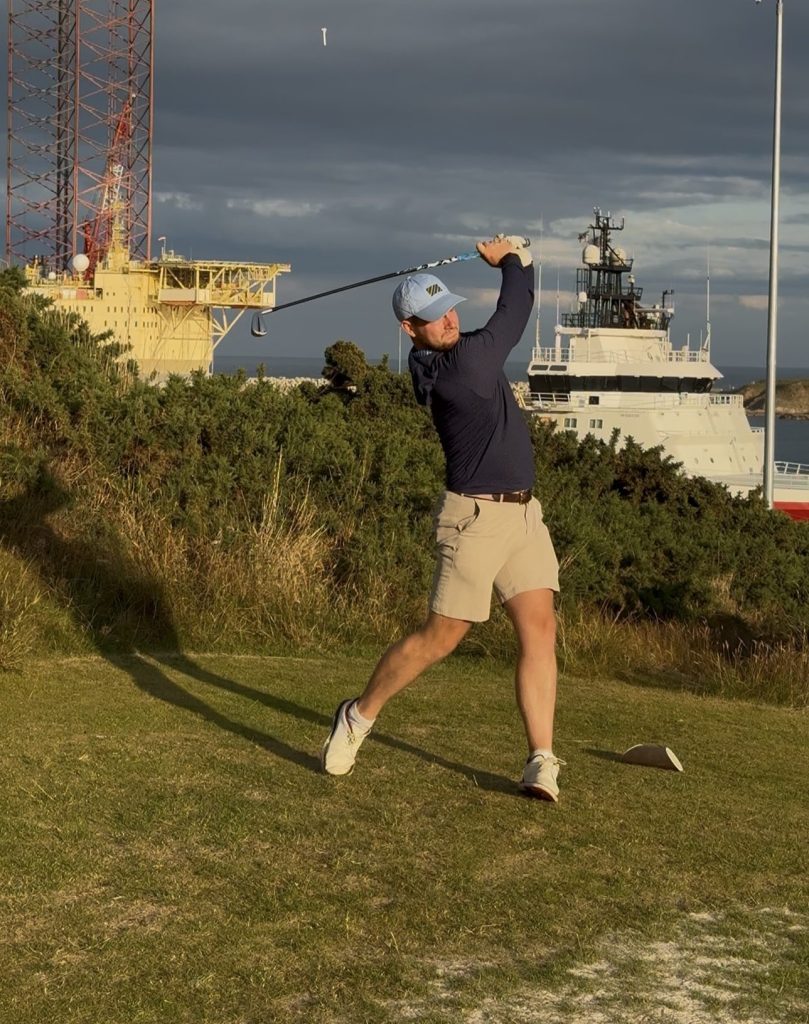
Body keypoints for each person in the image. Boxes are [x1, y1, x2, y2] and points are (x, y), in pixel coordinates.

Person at [321, 235, 563, 801]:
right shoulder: (463, 368)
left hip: (524, 514)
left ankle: (541, 759)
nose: (449, 320)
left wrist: (513, 260)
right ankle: (357, 715)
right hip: (475, 520)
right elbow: (517, 306)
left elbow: (492, 321)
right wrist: (512, 257)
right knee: (440, 638)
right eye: (433, 316)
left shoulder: (453, 353)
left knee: (540, 630)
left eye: (451, 307)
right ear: (411, 328)